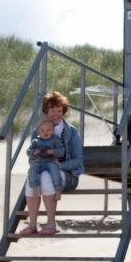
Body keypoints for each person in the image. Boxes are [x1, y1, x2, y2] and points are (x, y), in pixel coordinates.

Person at [18, 91, 84, 237]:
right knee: (32, 180)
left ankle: (51, 223)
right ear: (46, 111)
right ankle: (32, 225)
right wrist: (37, 160)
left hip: (69, 174)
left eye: (59, 110)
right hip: (43, 168)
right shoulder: (38, 131)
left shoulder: (71, 131)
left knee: (46, 177)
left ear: (63, 111)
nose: (56, 114)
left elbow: (78, 160)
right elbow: (31, 154)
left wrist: (59, 166)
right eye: (52, 110)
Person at [26, 118, 66, 198]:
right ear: (38, 131)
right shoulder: (36, 141)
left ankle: (58, 189)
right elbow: (28, 151)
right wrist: (34, 152)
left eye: (48, 130)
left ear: (53, 131)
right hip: (38, 161)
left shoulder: (55, 140)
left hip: (51, 161)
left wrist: (53, 151)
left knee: (55, 172)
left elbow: (62, 151)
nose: (45, 132)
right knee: (32, 170)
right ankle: (35, 187)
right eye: (42, 130)